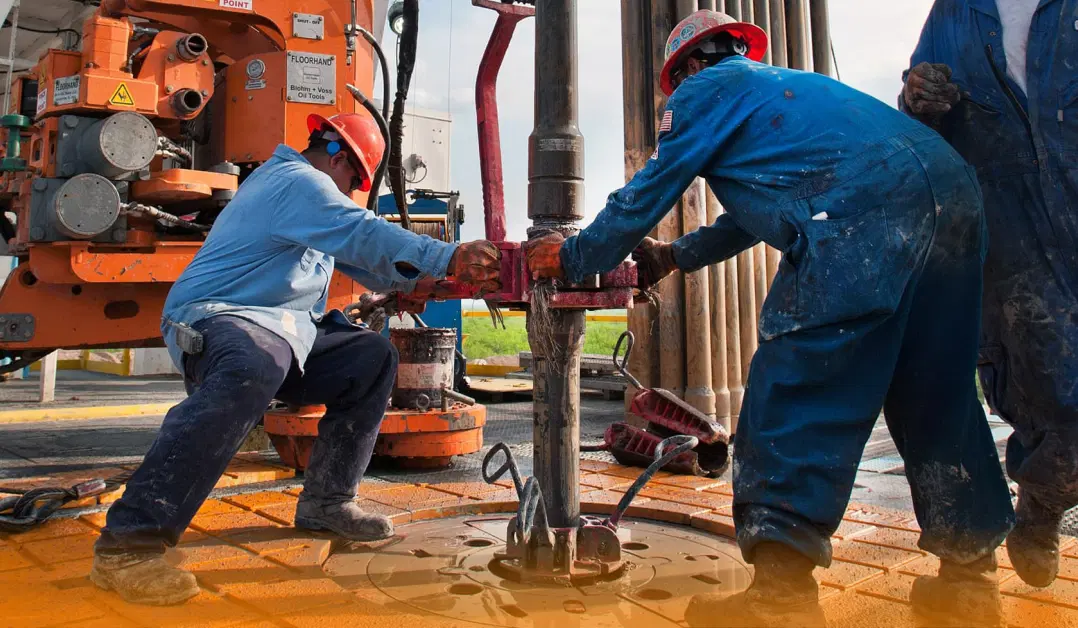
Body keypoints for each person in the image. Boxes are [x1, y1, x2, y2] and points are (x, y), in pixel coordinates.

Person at [525, 10, 1014, 627]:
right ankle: (970, 581)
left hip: (861, 213)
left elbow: (649, 188)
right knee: (936, 390)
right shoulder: (790, 93)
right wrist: (674, 256)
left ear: (688, 67)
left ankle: (781, 598)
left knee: (797, 387)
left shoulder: (705, 89)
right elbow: (751, 216)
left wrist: (574, 256)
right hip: (954, 200)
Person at [88, 110, 502, 606]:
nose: (350, 193)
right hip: (218, 318)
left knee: (371, 357)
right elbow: (360, 230)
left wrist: (419, 283)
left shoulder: (304, 198)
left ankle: (327, 502)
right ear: (337, 156)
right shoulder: (295, 181)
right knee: (253, 365)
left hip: (280, 332)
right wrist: (448, 256)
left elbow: (358, 257)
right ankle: (129, 544)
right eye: (354, 182)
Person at [901, 0, 1078, 590]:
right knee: (1054, 396)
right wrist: (919, 100)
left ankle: (1040, 502)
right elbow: (918, 121)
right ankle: (1042, 503)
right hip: (1011, 228)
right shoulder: (954, 14)